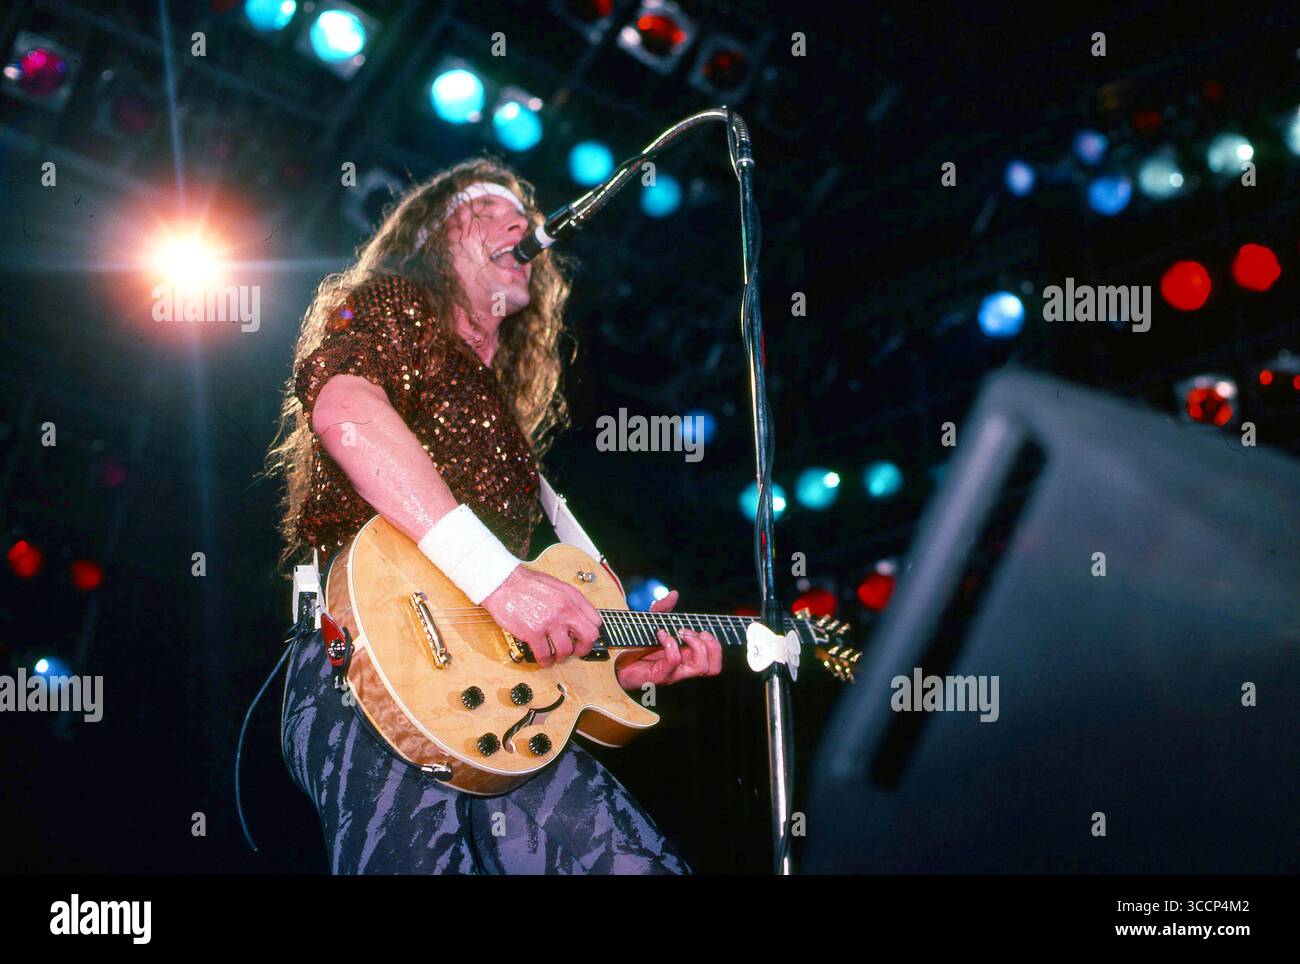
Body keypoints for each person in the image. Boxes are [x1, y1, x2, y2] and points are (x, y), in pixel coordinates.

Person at [266, 156, 722, 874]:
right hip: (373, 661)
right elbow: (346, 412)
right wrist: (498, 578)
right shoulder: (388, 303)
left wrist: (607, 669)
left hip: (497, 710)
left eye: (526, 216)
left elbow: (493, 623)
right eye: (485, 206)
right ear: (430, 237)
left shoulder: (500, 416)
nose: (522, 223)